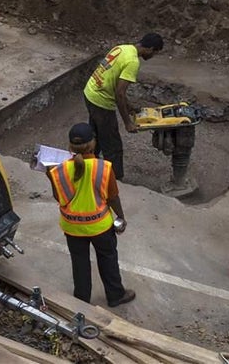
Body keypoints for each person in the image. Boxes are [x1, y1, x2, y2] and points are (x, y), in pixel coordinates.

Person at [46, 123, 136, 307]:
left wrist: (50, 177)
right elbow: (113, 197)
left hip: (73, 228)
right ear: (92, 144)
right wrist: (121, 217)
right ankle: (115, 295)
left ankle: (81, 301)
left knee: (79, 263)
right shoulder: (103, 167)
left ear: (70, 146)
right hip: (100, 227)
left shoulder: (60, 170)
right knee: (108, 259)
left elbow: (59, 198)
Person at [83, 33, 164, 180]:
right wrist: (128, 122)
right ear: (150, 49)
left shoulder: (123, 48)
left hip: (90, 91)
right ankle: (115, 180)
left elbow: (113, 82)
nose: (153, 56)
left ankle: (87, 167)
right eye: (155, 53)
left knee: (96, 136)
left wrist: (130, 106)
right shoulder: (133, 62)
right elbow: (119, 93)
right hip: (101, 101)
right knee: (113, 146)